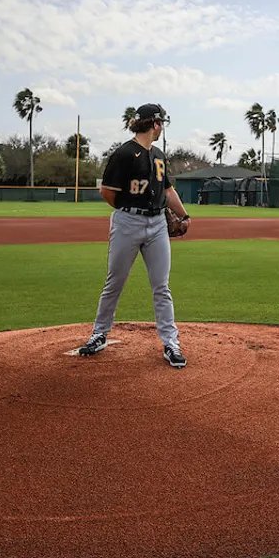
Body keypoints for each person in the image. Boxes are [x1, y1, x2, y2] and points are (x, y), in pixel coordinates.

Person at [77, 103, 190, 368]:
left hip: (157, 225)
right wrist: (129, 214)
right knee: (115, 281)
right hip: (128, 222)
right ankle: (99, 334)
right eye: (160, 122)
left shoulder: (160, 155)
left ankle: (170, 343)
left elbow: (168, 190)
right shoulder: (124, 154)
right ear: (155, 124)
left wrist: (184, 216)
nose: (161, 127)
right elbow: (107, 191)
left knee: (161, 286)